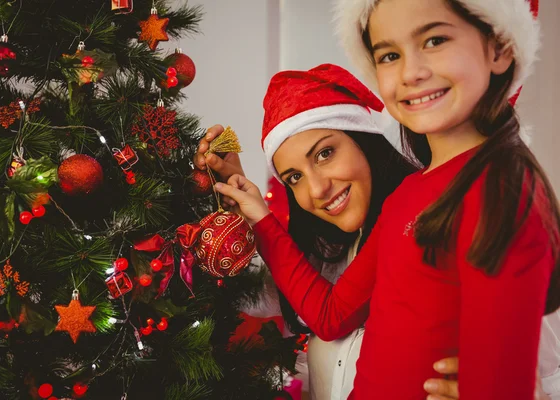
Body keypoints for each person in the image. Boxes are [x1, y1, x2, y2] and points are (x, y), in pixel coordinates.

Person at [213, 0, 560, 398]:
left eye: (435, 39)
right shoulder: (407, 197)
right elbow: (331, 315)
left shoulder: (502, 190)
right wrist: (258, 215)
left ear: (498, 48)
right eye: (390, 55)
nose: (411, 72)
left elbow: (506, 381)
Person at [195, 64, 461, 399]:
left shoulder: (429, 223)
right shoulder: (329, 251)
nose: (317, 189)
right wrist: (233, 212)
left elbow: (539, 360)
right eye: (294, 177)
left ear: (364, 141)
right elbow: (256, 295)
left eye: (324, 153)